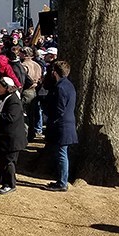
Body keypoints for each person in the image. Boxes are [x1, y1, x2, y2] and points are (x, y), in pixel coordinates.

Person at [42, 60, 78, 191]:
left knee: (62, 154)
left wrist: (48, 113)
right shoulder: (68, 85)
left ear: (55, 73)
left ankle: (62, 182)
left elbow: (59, 109)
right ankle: (60, 180)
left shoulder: (60, 88)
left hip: (62, 125)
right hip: (66, 124)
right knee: (61, 153)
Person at [0, 76, 27, 194]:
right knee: (1, 159)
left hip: (12, 138)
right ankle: (0, 178)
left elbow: (11, 118)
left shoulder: (13, 101)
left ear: (6, 88)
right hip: (4, 137)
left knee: (8, 161)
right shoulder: (3, 97)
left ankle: (10, 184)